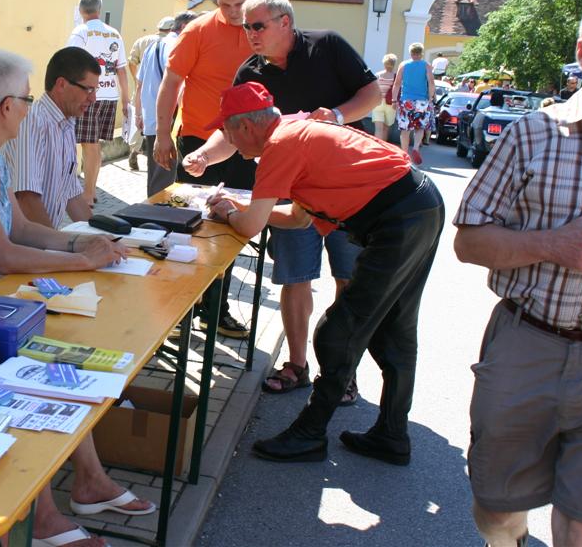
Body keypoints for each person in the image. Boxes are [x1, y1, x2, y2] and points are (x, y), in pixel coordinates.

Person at [0, 46, 153, 547]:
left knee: (69, 366)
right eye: (28, 99)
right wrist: (81, 260)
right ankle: (40, 516)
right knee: (38, 375)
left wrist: (84, 243)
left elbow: (26, 228)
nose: (31, 109)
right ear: (7, 107)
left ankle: (87, 484)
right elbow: (6, 254)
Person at [185, 81, 444, 464]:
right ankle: (391, 434)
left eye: (227, 131)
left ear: (245, 127)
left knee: (338, 330)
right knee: (395, 328)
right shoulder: (293, 132)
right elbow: (296, 217)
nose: (230, 142)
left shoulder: (280, 143)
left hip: (400, 217)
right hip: (417, 206)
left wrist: (229, 212)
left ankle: (310, 432)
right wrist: (241, 211)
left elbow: (250, 225)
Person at [453, 2, 582, 547]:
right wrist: (555, 244)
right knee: (497, 510)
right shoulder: (532, 135)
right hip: (526, 342)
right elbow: (468, 241)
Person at [223, 0, 379, 400]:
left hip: (345, 191)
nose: (250, 34)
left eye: (257, 25)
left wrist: (339, 115)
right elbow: (236, 129)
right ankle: (297, 364)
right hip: (290, 189)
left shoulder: (326, 45)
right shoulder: (250, 72)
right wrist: (204, 155)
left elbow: (373, 94)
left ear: (285, 22)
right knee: (295, 278)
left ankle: (343, 372)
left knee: (348, 280)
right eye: (245, 27)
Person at [151, 0, 259, 339]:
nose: (233, 12)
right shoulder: (197, 30)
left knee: (231, 229)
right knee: (191, 227)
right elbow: (171, 83)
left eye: (240, 4)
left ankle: (215, 310)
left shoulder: (260, 32)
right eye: (226, 4)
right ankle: (181, 308)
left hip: (246, 146)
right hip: (198, 142)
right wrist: (163, 134)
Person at [7, 47, 99, 228]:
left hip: (43, 242)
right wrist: (60, 248)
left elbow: (72, 195)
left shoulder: (67, 123)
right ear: (62, 84)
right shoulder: (32, 121)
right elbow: (27, 199)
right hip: (23, 247)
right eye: (88, 89)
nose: (94, 98)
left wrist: (102, 238)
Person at [66, 0, 129, 207]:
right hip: (110, 96)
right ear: (99, 10)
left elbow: (69, 62)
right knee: (94, 145)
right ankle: (89, 190)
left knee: (88, 144)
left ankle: (88, 193)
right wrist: (126, 100)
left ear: (81, 10)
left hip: (88, 94)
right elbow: (121, 69)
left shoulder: (80, 33)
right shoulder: (114, 34)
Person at [136, 11, 197, 196]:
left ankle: (151, 217)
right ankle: (156, 219)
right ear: (185, 27)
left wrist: (139, 113)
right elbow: (179, 84)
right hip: (169, 122)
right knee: (165, 182)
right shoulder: (176, 45)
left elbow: (140, 84)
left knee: (156, 178)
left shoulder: (152, 46)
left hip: (153, 119)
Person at [125, 16, 172, 170]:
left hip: (142, 87)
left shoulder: (143, 40)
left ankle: (135, 150)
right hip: (160, 91)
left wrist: (137, 79)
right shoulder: (169, 43)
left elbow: (131, 61)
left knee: (139, 123)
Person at [391, 42, 436, 165]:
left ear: (410, 53)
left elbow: (397, 83)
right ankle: (416, 147)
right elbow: (431, 82)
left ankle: (405, 154)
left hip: (406, 101)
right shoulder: (426, 65)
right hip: (422, 101)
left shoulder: (403, 65)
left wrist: (394, 100)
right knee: (420, 126)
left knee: (405, 129)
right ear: (421, 53)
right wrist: (431, 98)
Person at [371, 53, 398, 143]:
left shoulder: (378, 75)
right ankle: (383, 147)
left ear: (384, 63)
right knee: (386, 128)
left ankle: (377, 147)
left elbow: (373, 89)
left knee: (378, 128)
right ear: (394, 64)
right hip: (390, 103)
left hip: (378, 103)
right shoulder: (396, 77)